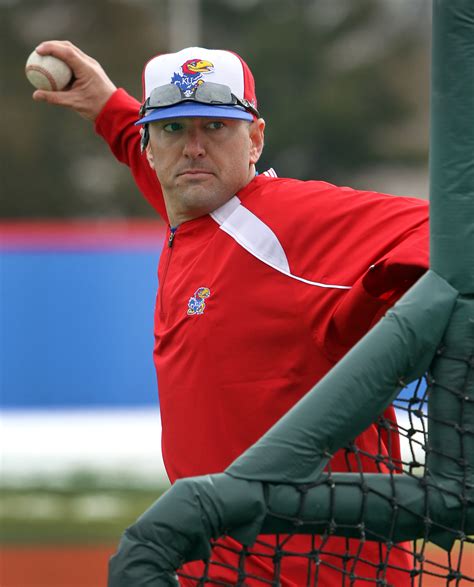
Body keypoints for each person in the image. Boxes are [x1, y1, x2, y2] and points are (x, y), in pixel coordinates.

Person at [33, 40, 429, 586]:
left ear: (255, 139)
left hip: (321, 574)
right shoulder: (196, 213)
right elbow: (173, 175)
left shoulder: (289, 223)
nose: (194, 147)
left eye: (216, 127)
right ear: (149, 145)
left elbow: (450, 230)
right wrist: (106, 106)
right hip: (220, 566)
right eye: (173, 128)